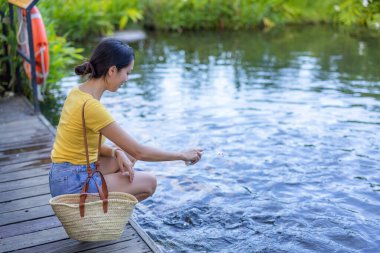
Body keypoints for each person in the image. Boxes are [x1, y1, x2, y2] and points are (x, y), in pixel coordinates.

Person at [49, 38, 202, 201]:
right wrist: (182, 155)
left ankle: (102, 203)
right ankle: (101, 217)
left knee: (127, 153)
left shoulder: (77, 93)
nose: (127, 79)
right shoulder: (91, 107)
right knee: (149, 182)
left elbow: (94, 147)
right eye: (127, 72)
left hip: (62, 175)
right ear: (112, 70)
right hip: (73, 185)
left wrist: (116, 152)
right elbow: (140, 151)